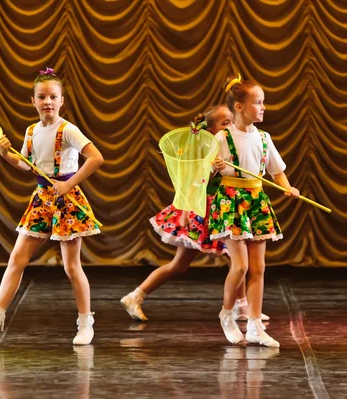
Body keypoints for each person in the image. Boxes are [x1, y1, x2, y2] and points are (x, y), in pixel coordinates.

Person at [0, 67, 104, 345]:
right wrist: (5, 154)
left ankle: (86, 322)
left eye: (53, 96)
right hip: (41, 199)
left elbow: (96, 158)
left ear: (62, 100)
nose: (47, 102)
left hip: (67, 199)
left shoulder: (68, 130)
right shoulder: (31, 131)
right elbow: (25, 165)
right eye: (42, 97)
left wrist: (68, 183)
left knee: (71, 267)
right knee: (17, 258)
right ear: (33, 101)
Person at [121, 105, 270, 324]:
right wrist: (186, 212)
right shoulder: (211, 150)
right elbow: (193, 182)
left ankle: (242, 307)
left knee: (235, 260)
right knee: (182, 264)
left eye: (231, 121)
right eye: (225, 123)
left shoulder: (230, 147)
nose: (230, 126)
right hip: (203, 212)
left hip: (222, 211)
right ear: (211, 131)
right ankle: (136, 295)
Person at [210, 75, 300, 348]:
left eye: (263, 103)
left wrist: (287, 187)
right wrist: (212, 165)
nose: (263, 108)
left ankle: (255, 326)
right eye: (258, 103)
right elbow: (203, 174)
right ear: (239, 107)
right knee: (241, 266)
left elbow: (277, 170)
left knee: (258, 267)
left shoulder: (263, 137)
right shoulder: (222, 137)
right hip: (231, 201)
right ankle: (227, 315)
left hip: (257, 200)